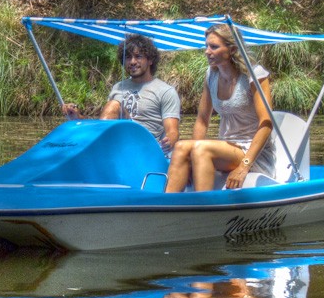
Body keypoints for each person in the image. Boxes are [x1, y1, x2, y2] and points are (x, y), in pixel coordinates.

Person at [164, 24, 274, 192]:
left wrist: (244, 167)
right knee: (181, 147)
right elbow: (202, 121)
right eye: (207, 45)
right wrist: (191, 156)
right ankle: (167, 207)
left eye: (214, 47)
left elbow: (267, 124)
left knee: (201, 149)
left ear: (232, 49)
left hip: (252, 153)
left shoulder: (254, 75)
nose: (207, 51)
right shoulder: (212, 74)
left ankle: (203, 210)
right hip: (227, 147)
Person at [62, 34, 180, 154]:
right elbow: (104, 124)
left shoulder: (165, 91)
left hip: (146, 149)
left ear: (150, 60)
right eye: (128, 57)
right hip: (118, 145)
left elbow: (173, 131)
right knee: (113, 106)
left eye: (138, 56)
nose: (132, 62)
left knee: (114, 105)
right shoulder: (118, 87)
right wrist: (78, 117)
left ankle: (98, 151)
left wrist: (169, 141)